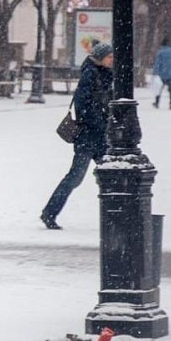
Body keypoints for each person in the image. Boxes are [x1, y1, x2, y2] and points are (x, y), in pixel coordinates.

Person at [40, 42, 114, 230]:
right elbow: (83, 105)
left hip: (99, 135)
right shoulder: (90, 74)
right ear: (100, 57)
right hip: (88, 136)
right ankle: (49, 213)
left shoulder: (105, 75)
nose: (112, 60)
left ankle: (117, 216)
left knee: (112, 176)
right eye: (109, 57)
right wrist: (99, 122)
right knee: (77, 177)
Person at [152, 40, 171, 110]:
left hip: (162, 74)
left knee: (159, 89)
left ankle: (157, 102)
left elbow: (157, 63)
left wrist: (155, 72)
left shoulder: (160, 53)